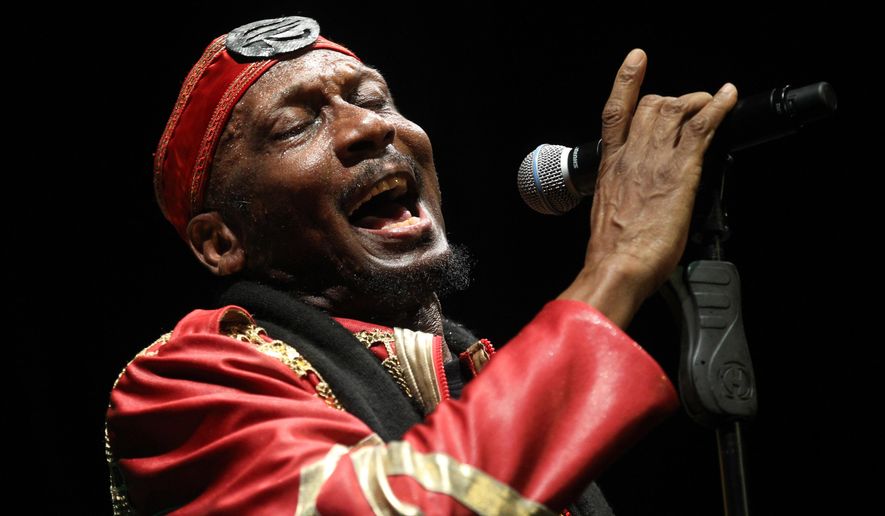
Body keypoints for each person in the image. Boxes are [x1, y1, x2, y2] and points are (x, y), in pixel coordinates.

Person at [104, 15, 737, 515]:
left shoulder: (471, 370)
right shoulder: (183, 385)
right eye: (296, 126)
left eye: (374, 98)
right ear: (221, 243)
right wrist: (618, 265)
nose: (368, 128)